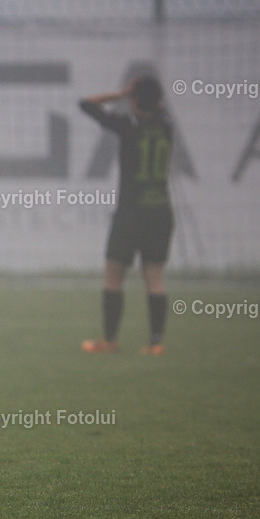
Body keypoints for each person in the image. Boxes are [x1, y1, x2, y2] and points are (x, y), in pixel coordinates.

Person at [79, 76, 174, 355]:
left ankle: (110, 340)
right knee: (155, 280)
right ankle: (156, 342)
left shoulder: (128, 126)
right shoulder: (167, 125)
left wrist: (119, 94)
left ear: (133, 99)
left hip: (131, 213)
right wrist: (139, 95)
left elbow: (86, 105)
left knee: (113, 277)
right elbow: (156, 107)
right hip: (161, 211)